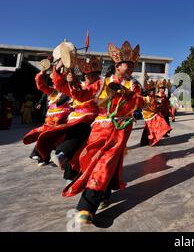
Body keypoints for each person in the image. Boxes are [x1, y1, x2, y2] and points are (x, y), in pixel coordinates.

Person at [62, 41, 143, 224]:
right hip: (99, 128)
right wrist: (72, 83)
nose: (131, 68)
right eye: (127, 64)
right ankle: (104, 193)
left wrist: (128, 95)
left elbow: (139, 103)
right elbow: (82, 96)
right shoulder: (101, 83)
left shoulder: (133, 85)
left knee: (105, 162)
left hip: (120, 128)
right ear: (117, 65)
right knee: (92, 160)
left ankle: (86, 207)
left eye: (132, 65)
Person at [49, 55, 103, 184]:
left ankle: (64, 156)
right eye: (86, 75)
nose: (88, 78)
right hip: (74, 119)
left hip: (93, 120)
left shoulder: (101, 85)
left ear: (97, 75)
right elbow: (60, 85)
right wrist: (58, 67)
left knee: (85, 145)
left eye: (91, 75)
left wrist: (73, 84)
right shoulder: (80, 84)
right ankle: (69, 172)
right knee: (70, 138)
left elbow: (83, 94)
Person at [23, 65, 72, 166]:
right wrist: (41, 73)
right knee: (45, 136)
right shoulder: (52, 91)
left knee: (51, 137)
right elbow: (40, 85)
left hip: (63, 120)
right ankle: (42, 157)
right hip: (50, 120)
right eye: (53, 80)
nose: (54, 82)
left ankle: (42, 154)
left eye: (56, 80)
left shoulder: (69, 91)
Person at [140, 79, 171, 146]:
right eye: (161, 88)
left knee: (157, 127)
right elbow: (143, 106)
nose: (162, 90)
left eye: (163, 88)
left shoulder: (155, 97)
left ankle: (153, 140)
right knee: (151, 130)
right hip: (149, 115)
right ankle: (151, 141)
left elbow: (161, 104)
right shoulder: (146, 98)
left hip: (156, 114)